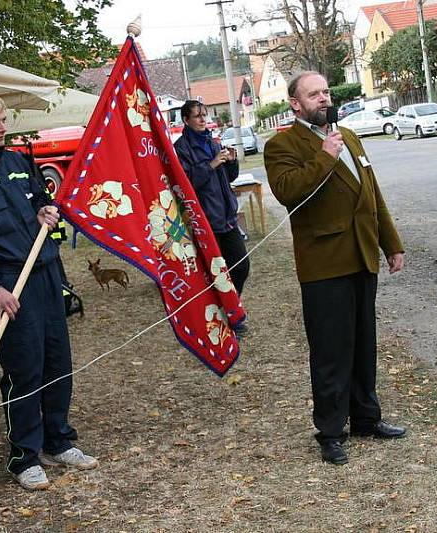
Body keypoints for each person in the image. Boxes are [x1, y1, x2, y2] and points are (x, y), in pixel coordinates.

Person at [0, 91, 97, 490]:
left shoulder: (17, 161)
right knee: (24, 369)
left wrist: (46, 209)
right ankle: (23, 456)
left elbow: (42, 202)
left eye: (4, 120)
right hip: (8, 281)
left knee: (57, 361)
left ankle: (58, 439)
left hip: (44, 272)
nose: (2, 127)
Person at [264, 72, 406, 466]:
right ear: (295, 103)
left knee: (363, 342)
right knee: (331, 351)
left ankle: (365, 418)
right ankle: (330, 431)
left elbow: (371, 193)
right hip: (324, 263)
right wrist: (325, 154)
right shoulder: (282, 145)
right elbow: (290, 191)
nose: (324, 98)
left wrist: (390, 243)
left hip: (361, 255)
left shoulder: (350, 135)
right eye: (314, 94)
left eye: (326, 91)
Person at [173, 100, 250, 333]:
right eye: (197, 116)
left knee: (241, 266)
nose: (202, 119)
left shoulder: (213, 142)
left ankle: (230, 308)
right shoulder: (181, 148)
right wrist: (212, 164)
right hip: (206, 220)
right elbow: (186, 184)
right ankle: (222, 319)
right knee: (214, 272)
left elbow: (228, 177)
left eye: (204, 115)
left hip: (226, 216)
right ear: (186, 120)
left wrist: (231, 161)